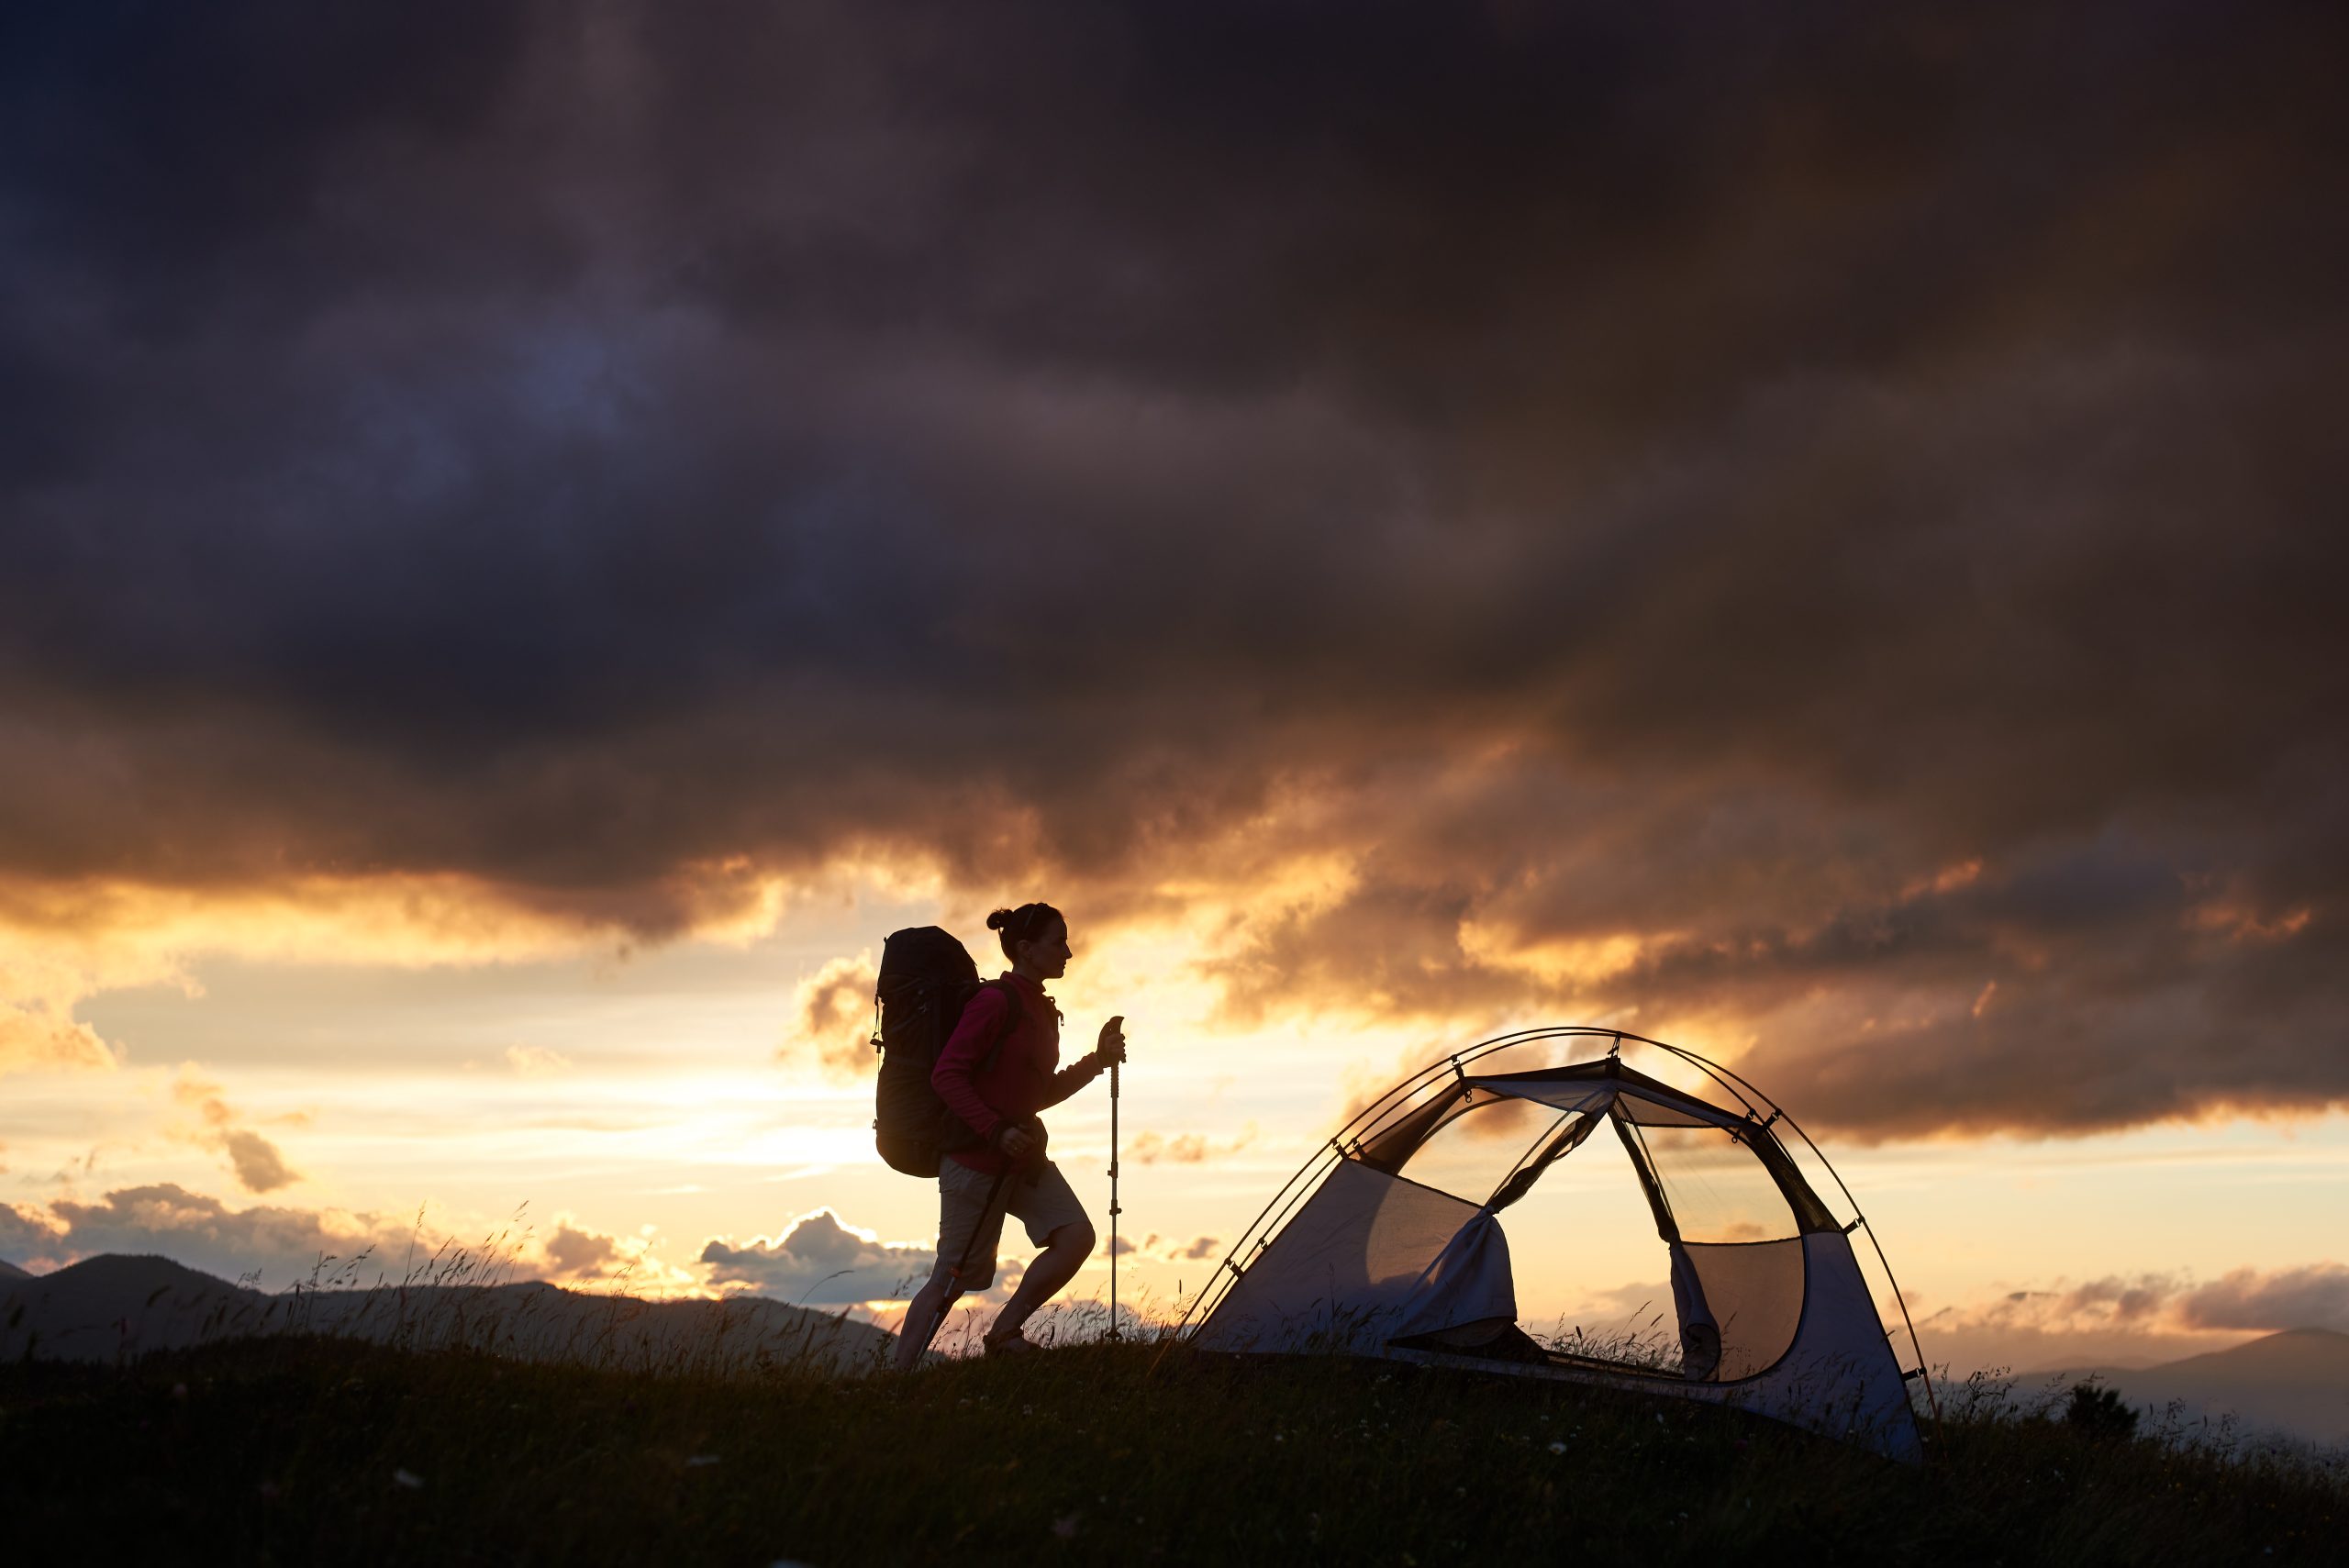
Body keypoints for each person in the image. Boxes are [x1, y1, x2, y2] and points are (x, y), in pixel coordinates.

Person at [894, 901, 1127, 1366]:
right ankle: (897, 1376)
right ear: (1026, 948)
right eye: (1058, 942)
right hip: (975, 1161)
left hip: (1020, 1157)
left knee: (1076, 1235)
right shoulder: (994, 1002)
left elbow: (1036, 1093)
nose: (1068, 952)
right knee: (952, 1278)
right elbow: (947, 1075)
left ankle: (1003, 1333)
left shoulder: (1039, 1009)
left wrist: (1096, 1062)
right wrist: (995, 1131)